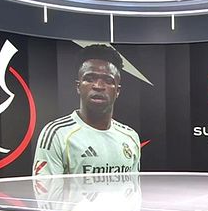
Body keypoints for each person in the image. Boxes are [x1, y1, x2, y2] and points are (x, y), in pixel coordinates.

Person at [33, 44, 140, 176]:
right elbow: (44, 189)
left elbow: (134, 187)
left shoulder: (130, 137)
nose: (98, 86)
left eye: (108, 80)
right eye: (89, 79)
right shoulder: (56, 134)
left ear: (117, 91)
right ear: (78, 86)